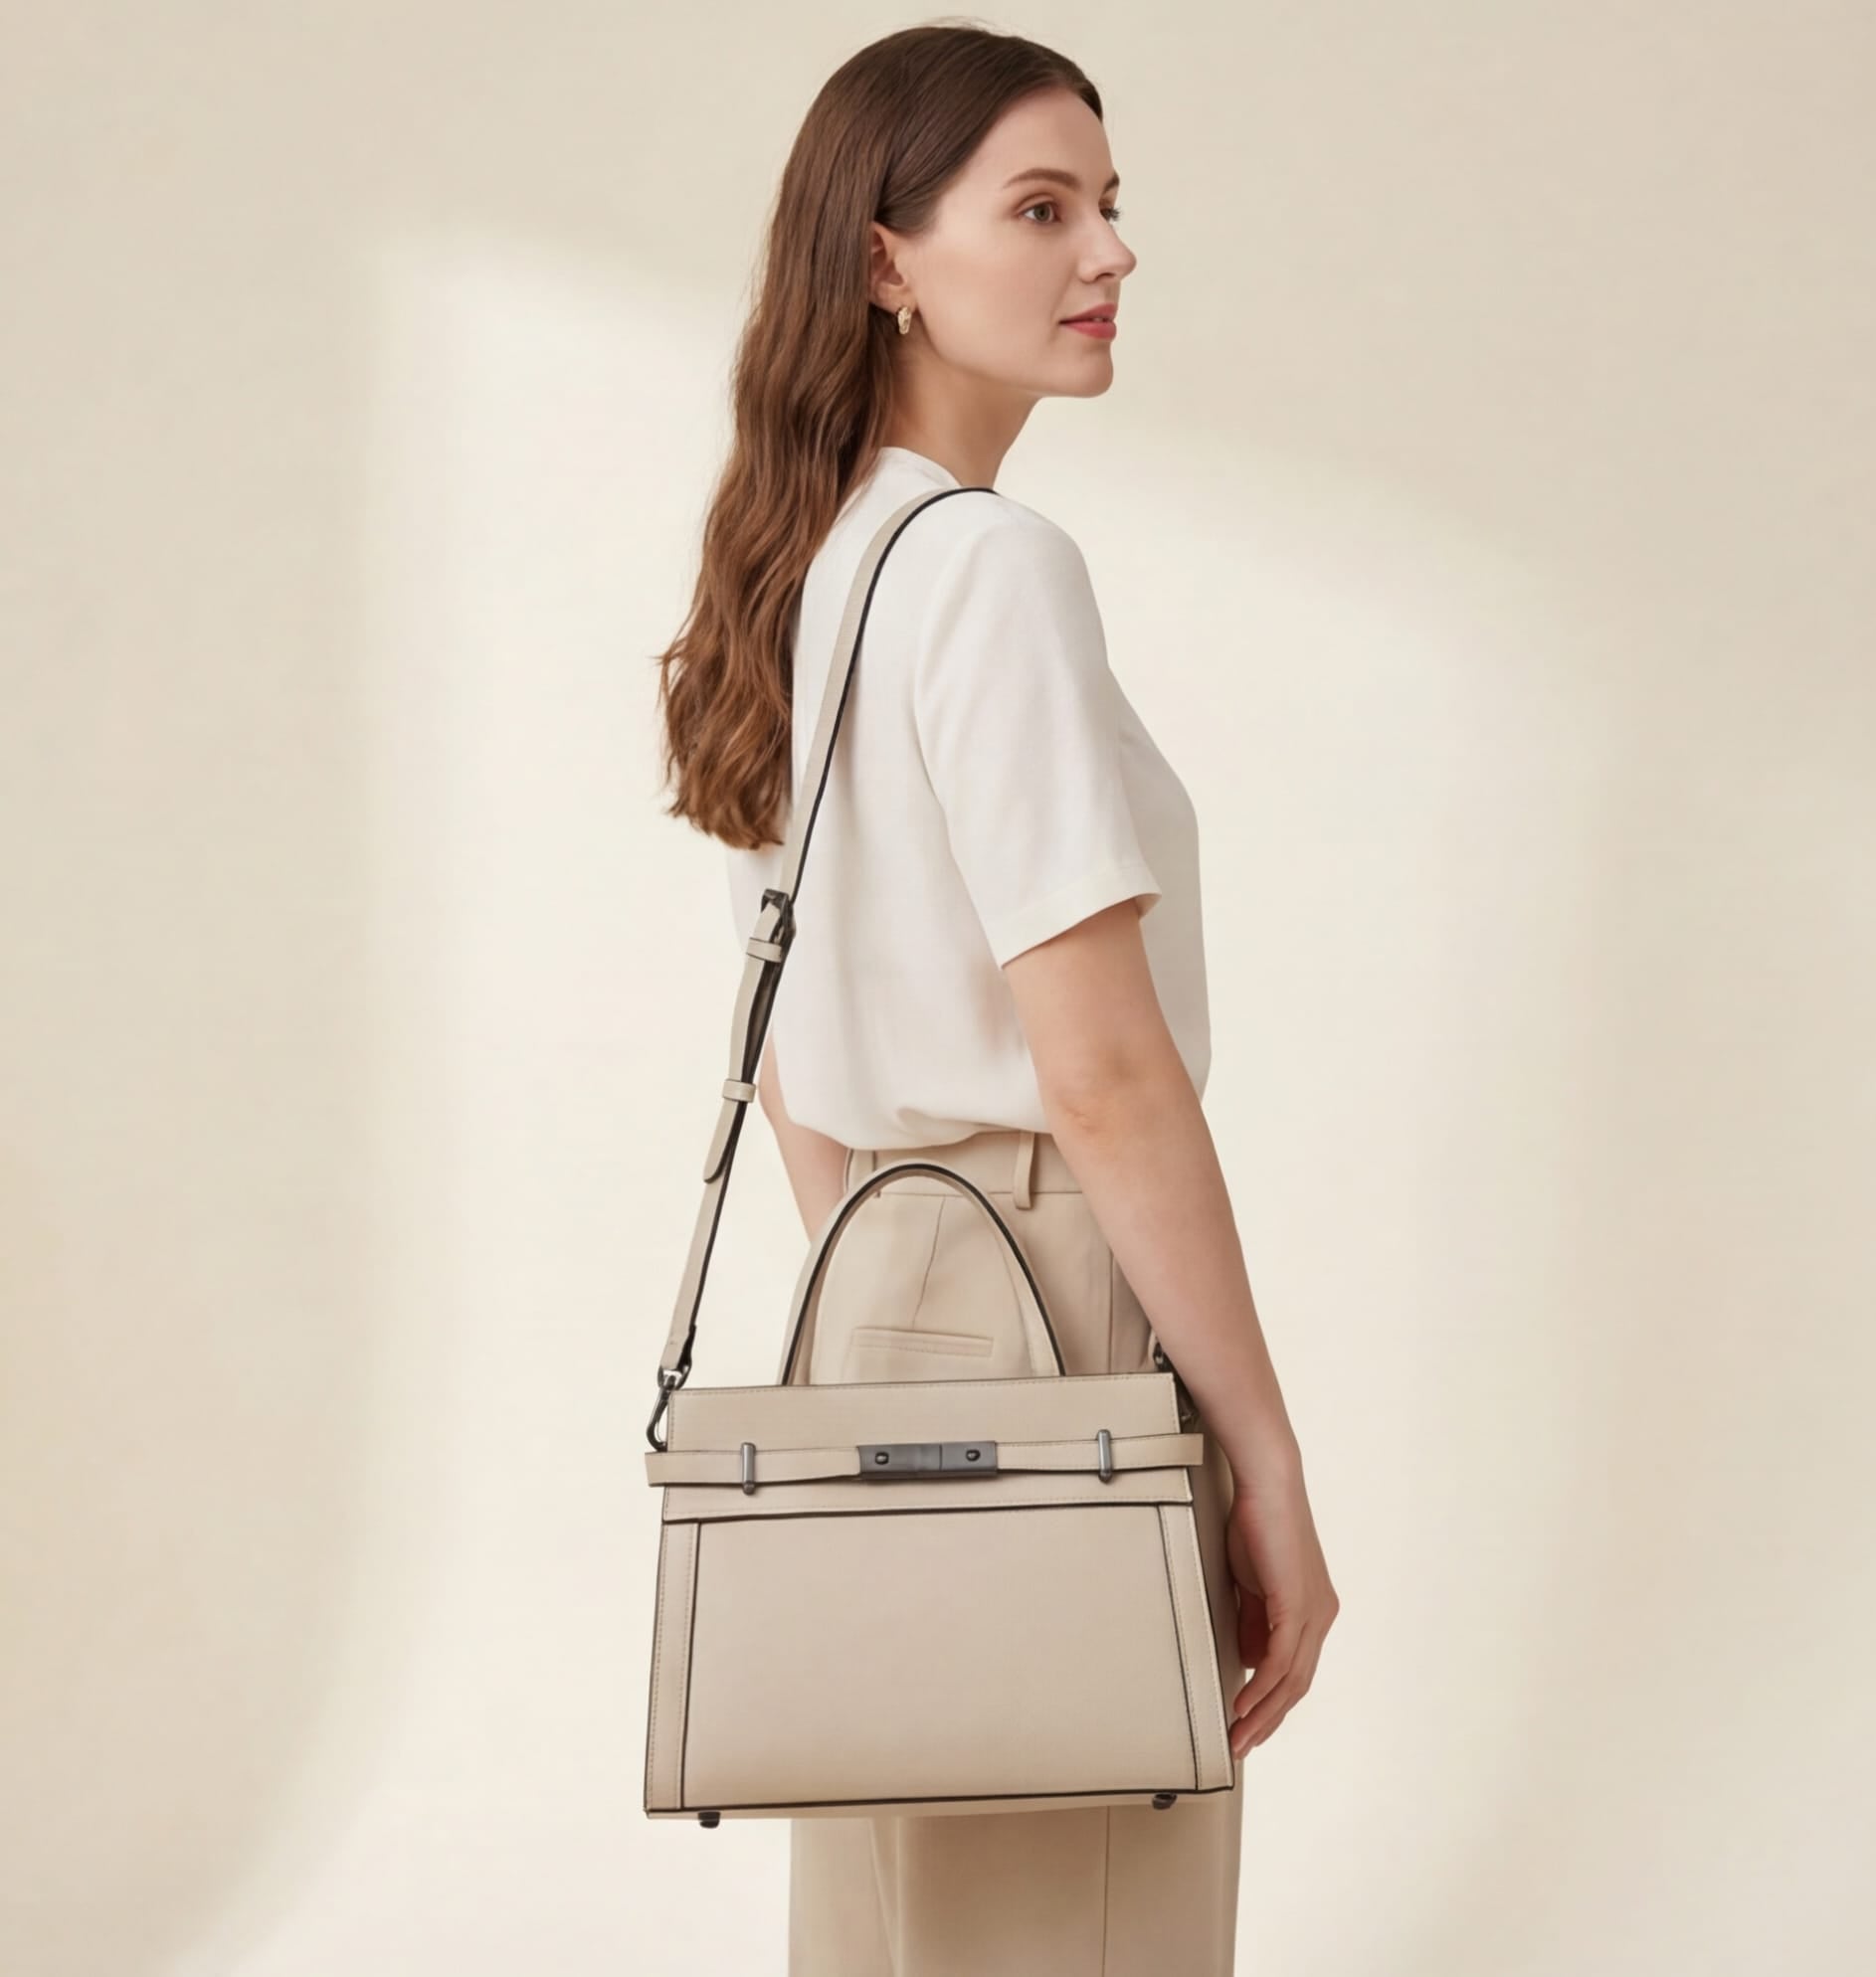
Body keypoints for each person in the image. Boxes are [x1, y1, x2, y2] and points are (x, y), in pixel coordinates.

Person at [657, 23, 1339, 1976]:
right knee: (1076, 1921)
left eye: (1107, 205)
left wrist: (894, 1288)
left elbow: (794, 1064)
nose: (1107, 251)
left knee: (908, 1919)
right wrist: (1261, 1454)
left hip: (872, 1278)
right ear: (886, 259)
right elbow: (1102, 1070)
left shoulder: (804, 574)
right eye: (1041, 209)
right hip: (1054, 1282)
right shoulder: (992, 569)